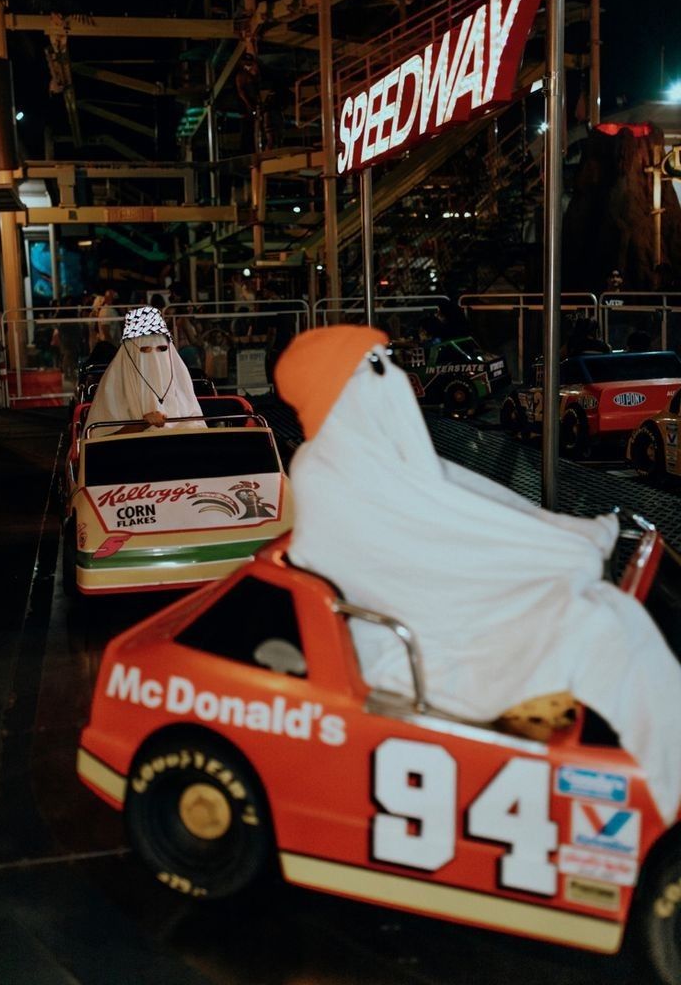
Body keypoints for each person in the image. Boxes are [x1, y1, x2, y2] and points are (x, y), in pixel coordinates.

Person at [274, 325, 681, 825]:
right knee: (602, 630)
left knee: (607, 619)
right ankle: (665, 798)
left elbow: (464, 505)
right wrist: (567, 547)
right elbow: (455, 532)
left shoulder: (363, 456)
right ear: (342, 387)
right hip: (421, 648)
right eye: (379, 366)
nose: (396, 377)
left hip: (435, 617)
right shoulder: (337, 472)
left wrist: (565, 536)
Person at [86, 306, 205, 437]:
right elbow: (98, 440)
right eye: (145, 350)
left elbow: (198, 425)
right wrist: (142, 424)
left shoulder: (179, 377)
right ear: (129, 351)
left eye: (162, 349)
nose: (154, 358)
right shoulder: (113, 385)